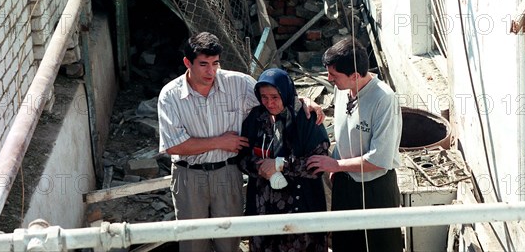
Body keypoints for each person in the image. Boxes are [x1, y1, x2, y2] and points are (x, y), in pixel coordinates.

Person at [158, 32, 324, 252]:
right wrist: (220, 142)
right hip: (189, 176)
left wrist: (304, 100)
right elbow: (173, 146)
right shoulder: (170, 96)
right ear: (188, 63)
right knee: (192, 242)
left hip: (227, 174)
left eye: (215, 63)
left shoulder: (238, 83)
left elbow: (273, 96)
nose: (211, 71)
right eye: (203, 64)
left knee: (229, 240)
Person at [307, 37, 404, 252]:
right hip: (345, 183)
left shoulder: (384, 99)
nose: (329, 79)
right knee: (345, 243)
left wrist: (335, 166)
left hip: (375, 188)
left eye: (334, 75)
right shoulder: (342, 91)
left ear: (355, 76)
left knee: (382, 245)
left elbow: (380, 160)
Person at [239, 68, 330, 252]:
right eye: (264, 97)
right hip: (263, 208)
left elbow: (318, 164)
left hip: (300, 207)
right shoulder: (256, 119)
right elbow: (241, 157)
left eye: (275, 97)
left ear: (285, 92)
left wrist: (280, 165)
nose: (269, 103)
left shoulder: (305, 118)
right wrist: (260, 167)